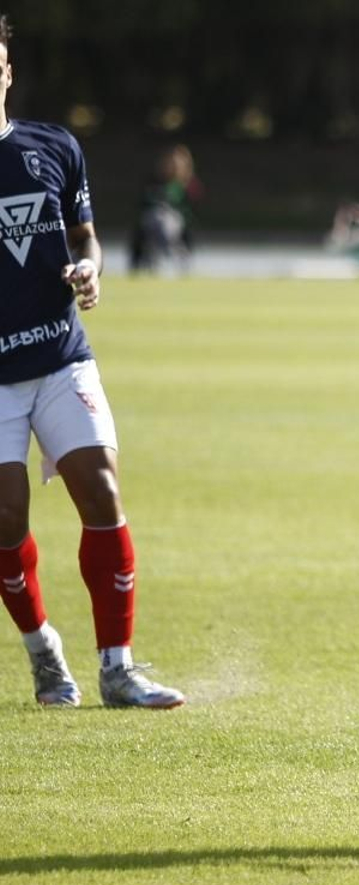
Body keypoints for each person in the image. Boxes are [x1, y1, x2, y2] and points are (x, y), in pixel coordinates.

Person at [0, 15, 184, 709]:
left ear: (8, 71)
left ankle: (118, 668)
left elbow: (87, 236)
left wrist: (90, 270)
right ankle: (43, 651)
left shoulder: (52, 146)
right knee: (6, 518)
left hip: (58, 354)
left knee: (102, 490)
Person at [129, 143, 200, 275]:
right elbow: (143, 203)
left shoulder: (187, 185)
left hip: (175, 223)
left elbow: (191, 209)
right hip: (151, 221)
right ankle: (160, 257)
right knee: (156, 219)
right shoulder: (154, 181)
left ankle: (167, 256)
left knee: (164, 222)